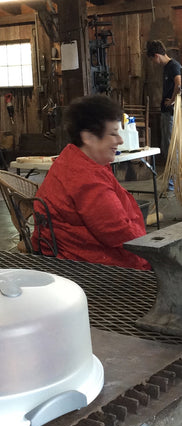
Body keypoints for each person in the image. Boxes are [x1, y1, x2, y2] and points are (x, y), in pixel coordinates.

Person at [32, 94, 150, 271]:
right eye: (113, 133)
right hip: (89, 266)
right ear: (88, 137)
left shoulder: (73, 157)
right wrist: (152, 256)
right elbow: (118, 232)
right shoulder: (86, 179)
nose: (120, 140)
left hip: (74, 253)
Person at [146, 40, 181, 190]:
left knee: (171, 148)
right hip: (166, 112)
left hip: (170, 113)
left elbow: (179, 84)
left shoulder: (173, 66)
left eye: (153, 59)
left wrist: (172, 100)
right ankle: (172, 184)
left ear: (156, 55)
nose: (154, 62)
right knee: (167, 147)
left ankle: (173, 186)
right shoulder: (168, 67)